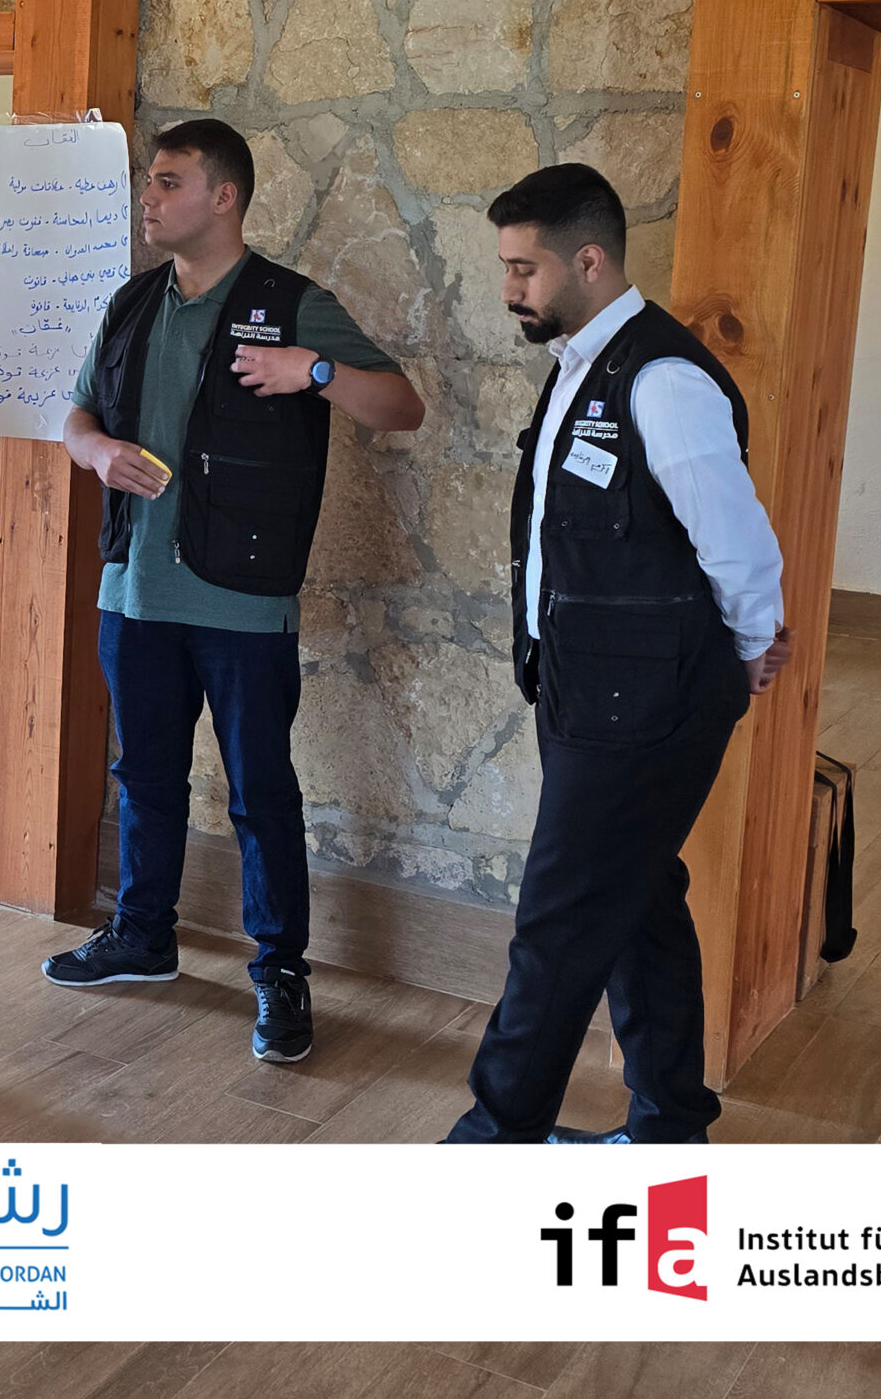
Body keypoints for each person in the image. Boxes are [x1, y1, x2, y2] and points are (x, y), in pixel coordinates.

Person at [41, 119, 425, 1066]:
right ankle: (143, 935)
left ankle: (281, 968)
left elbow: (402, 406)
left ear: (224, 196)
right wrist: (95, 450)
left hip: (243, 604)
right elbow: (76, 411)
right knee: (145, 777)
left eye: (168, 181)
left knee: (260, 792)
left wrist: (314, 371)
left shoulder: (292, 305)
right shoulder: (132, 303)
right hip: (133, 593)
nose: (149, 197)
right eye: (149, 181)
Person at [446, 162, 790, 1145]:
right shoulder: (581, 365)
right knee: (636, 899)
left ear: (589, 261)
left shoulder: (664, 380)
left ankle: (495, 1138)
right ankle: (669, 1123)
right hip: (585, 685)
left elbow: (736, 542)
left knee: (557, 921)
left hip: (645, 701)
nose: (509, 287)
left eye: (525, 268)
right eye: (506, 267)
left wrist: (750, 647)